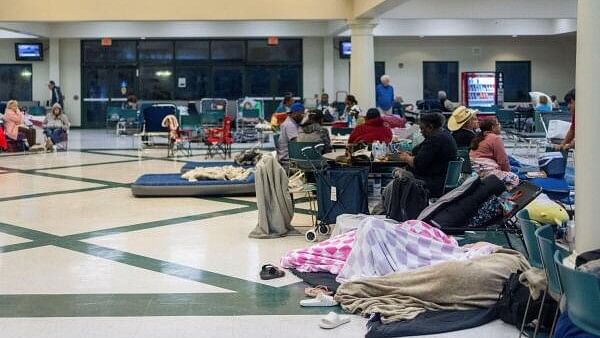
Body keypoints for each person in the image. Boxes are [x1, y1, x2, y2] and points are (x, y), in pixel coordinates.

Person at [398, 112, 458, 198]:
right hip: (441, 179)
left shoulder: (435, 139)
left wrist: (406, 158)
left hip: (434, 182)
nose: (421, 132)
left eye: (422, 129)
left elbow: (417, 163)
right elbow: (421, 154)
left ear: (430, 127)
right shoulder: (445, 135)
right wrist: (412, 155)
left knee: (398, 174)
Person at [469, 118, 519, 188]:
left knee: (514, 166)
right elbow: (503, 161)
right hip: (486, 172)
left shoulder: (480, 136)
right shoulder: (495, 138)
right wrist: (507, 172)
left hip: (475, 171)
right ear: (492, 127)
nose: (500, 126)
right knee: (514, 177)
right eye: (498, 124)